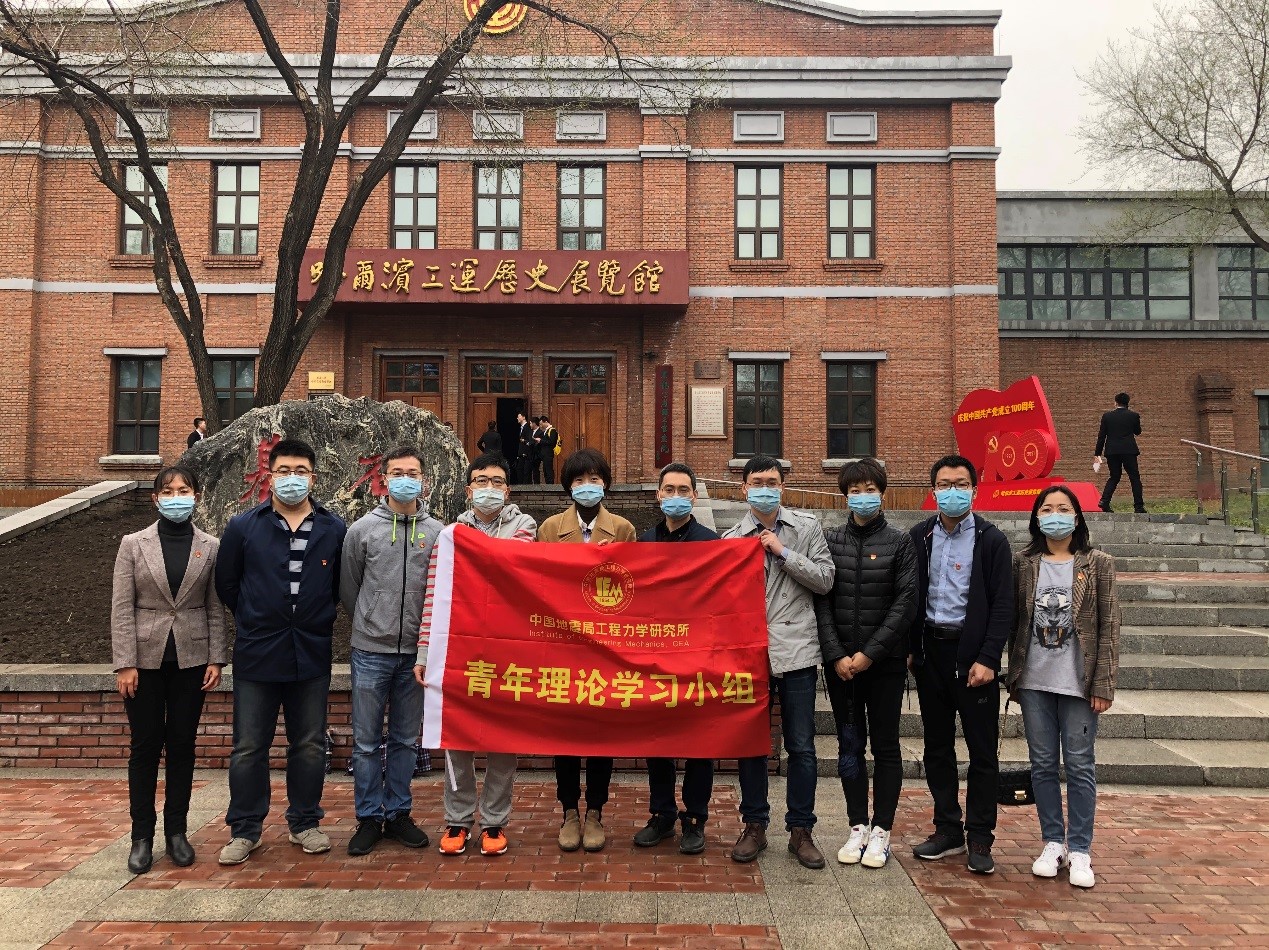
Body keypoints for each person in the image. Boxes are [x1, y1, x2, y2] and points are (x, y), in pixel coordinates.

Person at [215, 438, 346, 865]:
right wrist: (255, 615)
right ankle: (245, 829)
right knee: (249, 746)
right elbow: (227, 583)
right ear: (269, 476)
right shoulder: (243, 527)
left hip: (310, 652)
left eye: (301, 471)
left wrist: (314, 616)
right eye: (284, 471)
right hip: (258, 652)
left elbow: (337, 587)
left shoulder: (333, 528)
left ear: (314, 477)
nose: (293, 479)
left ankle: (305, 822)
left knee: (308, 744)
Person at [415, 452, 537, 858]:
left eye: (497, 482)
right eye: (481, 482)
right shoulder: (449, 535)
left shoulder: (525, 526)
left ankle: (495, 822)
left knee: (503, 740)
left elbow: (508, 567)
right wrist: (425, 651)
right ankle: (458, 818)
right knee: (457, 737)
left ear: (508, 490)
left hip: (508, 649)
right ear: (468, 490)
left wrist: (470, 552)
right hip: (459, 648)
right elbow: (435, 593)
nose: (489, 489)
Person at [111, 465, 226, 874]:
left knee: (181, 746)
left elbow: (214, 606)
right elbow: (122, 607)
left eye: (185, 490)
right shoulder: (133, 544)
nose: (177, 497)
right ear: (156, 498)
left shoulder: (210, 545)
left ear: (196, 495)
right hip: (143, 663)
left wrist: (216, 657)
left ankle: (177, 831)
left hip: (191, 662)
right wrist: (125, 663)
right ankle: (141, 835)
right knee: (144, 747)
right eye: (169, 491)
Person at [723, 455, 835, 870]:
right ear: (743, 488)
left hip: (797, 651)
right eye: (757, 482)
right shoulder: (732, 538)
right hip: (750, 654)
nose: (765, 489)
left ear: (783, 486)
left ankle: (801, 829)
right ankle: (754, 824)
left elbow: (825, 579)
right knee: (752, 745)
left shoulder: (806, 528)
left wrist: (783, 551)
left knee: (801, 745)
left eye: (772, 482)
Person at [1006, 485, 1120, 889]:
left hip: (1079, 682)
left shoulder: (1098, 563)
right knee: (1041, 764)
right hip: (1034, 679)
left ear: (1077, 516)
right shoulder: (1023, 563)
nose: (1055, 515)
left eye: (1063, 508)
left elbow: (1109, 626)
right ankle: (1053, 841)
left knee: (1079, 764)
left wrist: (1104, 683)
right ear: (1036, 517)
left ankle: (1081, 847)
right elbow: (1013, 620)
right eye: (1047, 509)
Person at [907, 455, 1014, 875]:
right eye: (945, 484)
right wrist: (912, 648)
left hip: (974, 660)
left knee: (982, 751)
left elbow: (1003, 605)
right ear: (933, 491)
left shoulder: (991, 540)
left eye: (961, 484)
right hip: (931, 655)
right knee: (937, 747)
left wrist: (988, 657)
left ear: (974, 489)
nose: (953, 491)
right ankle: (947, 828)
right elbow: (910, 596)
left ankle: (980, 835)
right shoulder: (919, 536)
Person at [814, 458, 917, 870]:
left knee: (886, 746)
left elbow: (905, 603)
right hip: (841, 667)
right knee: (849, 744)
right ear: (845, 496)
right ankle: (857, 825)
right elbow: (821, 600)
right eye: (854, 490)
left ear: (882, 493)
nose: (862, 496)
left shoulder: (900, 542)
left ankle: (882, 830)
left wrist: (869, 653)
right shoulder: (830, 540)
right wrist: (836, 653)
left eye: (869, 489)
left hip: (884, 665)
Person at [340, 446, 442, 856]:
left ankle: (399, 813)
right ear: (383, 479)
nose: (405, 479)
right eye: (397, 472)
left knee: (404, 739)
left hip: (416, 656)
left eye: (412, 473)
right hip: (370, 650)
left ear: (424, 480)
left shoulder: (437, 533)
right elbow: (350, 588)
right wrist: (371, 620)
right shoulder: (362, 530)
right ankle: (368, 817)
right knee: (365, 741)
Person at [537, 448, 636, 852]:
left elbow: (633, 589)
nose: (587, 487)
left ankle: (595, 811)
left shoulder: (624, 529)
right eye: (579, 480)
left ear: (606, 484)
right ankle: (569, 812)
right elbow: (539, 584)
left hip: (605, 649)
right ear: (568, 487)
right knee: (565, 736)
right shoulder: (549, 528)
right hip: (562, 645)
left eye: (594, 479)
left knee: (599, 735)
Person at [633, 462, 720, 855]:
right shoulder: (644, 542)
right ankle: (662, 814)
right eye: (668, 490)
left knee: (700, 742)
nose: (675, 497)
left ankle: (696, 817)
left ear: (695, 496)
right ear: (658, 495)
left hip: (698, 656)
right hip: (654, 657)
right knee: (658, 740)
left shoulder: (711, 543)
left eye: (683, 490)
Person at [1094, 392, 1145, 513]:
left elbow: (1101, 436)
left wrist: (1097, 453)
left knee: (1114, 476)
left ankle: (1104, 501)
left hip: (1112, 451)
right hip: (1129, 451)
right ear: (1127, 403)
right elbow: (1138, 432)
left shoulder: (1107, 416)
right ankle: (1138, 506)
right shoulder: (1134, 415)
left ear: (1116, 403)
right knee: (1134, 477)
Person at [536, 414, 560, 486]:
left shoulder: (552, 430)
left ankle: (551, 487)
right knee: (545, 471)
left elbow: (552, 442)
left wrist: (541, 441)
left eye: (541, 424)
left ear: (546, 422)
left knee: (549, 470)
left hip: (548, 454)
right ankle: (548, 486)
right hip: (545, 455)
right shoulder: (546, 431)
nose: (540, 426)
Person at [515, 412, 534, 483]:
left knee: (525, 472)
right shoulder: (522, 427)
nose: (517, 418)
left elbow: (529, 440)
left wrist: (525, 452)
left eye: (518, 416)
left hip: (525, 455)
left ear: (523, 417)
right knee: (519, 470)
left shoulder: (527, 427)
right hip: (521, 454)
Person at [529, 417, 544, 484]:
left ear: (534, 423)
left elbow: (539, 444)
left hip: (536, 455)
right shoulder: (531, 432)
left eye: (530, 423)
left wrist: (532, 443)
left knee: (536, 470)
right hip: (531, 454)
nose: (530, 425)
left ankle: (537, 484)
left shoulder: (540, 432)